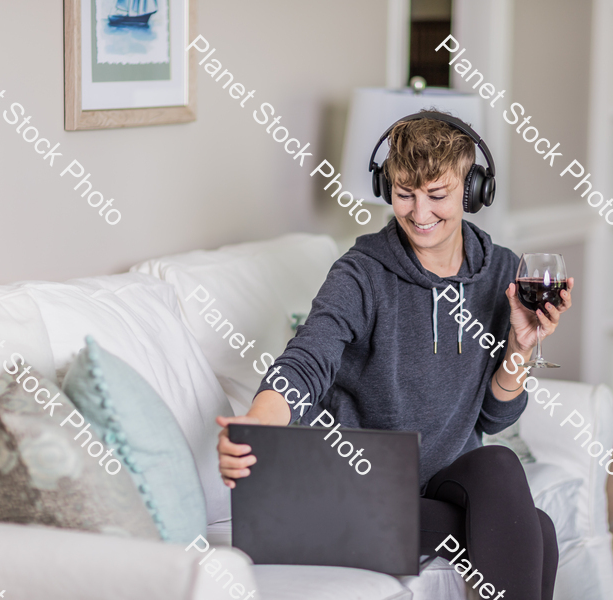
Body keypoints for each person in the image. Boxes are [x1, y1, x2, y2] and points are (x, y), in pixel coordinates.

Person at [216, 111, 573, 599]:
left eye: (437, 195)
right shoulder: (361, 274)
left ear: (472, 190)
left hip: (439, 484)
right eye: (405, 193)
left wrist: (519, 347)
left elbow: (495, 416)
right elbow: (308, 357)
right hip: (354, 488)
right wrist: (260, 419)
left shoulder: (503, 273)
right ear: (388, 188)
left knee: (497, 465)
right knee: (537, 531)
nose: (419, 213)